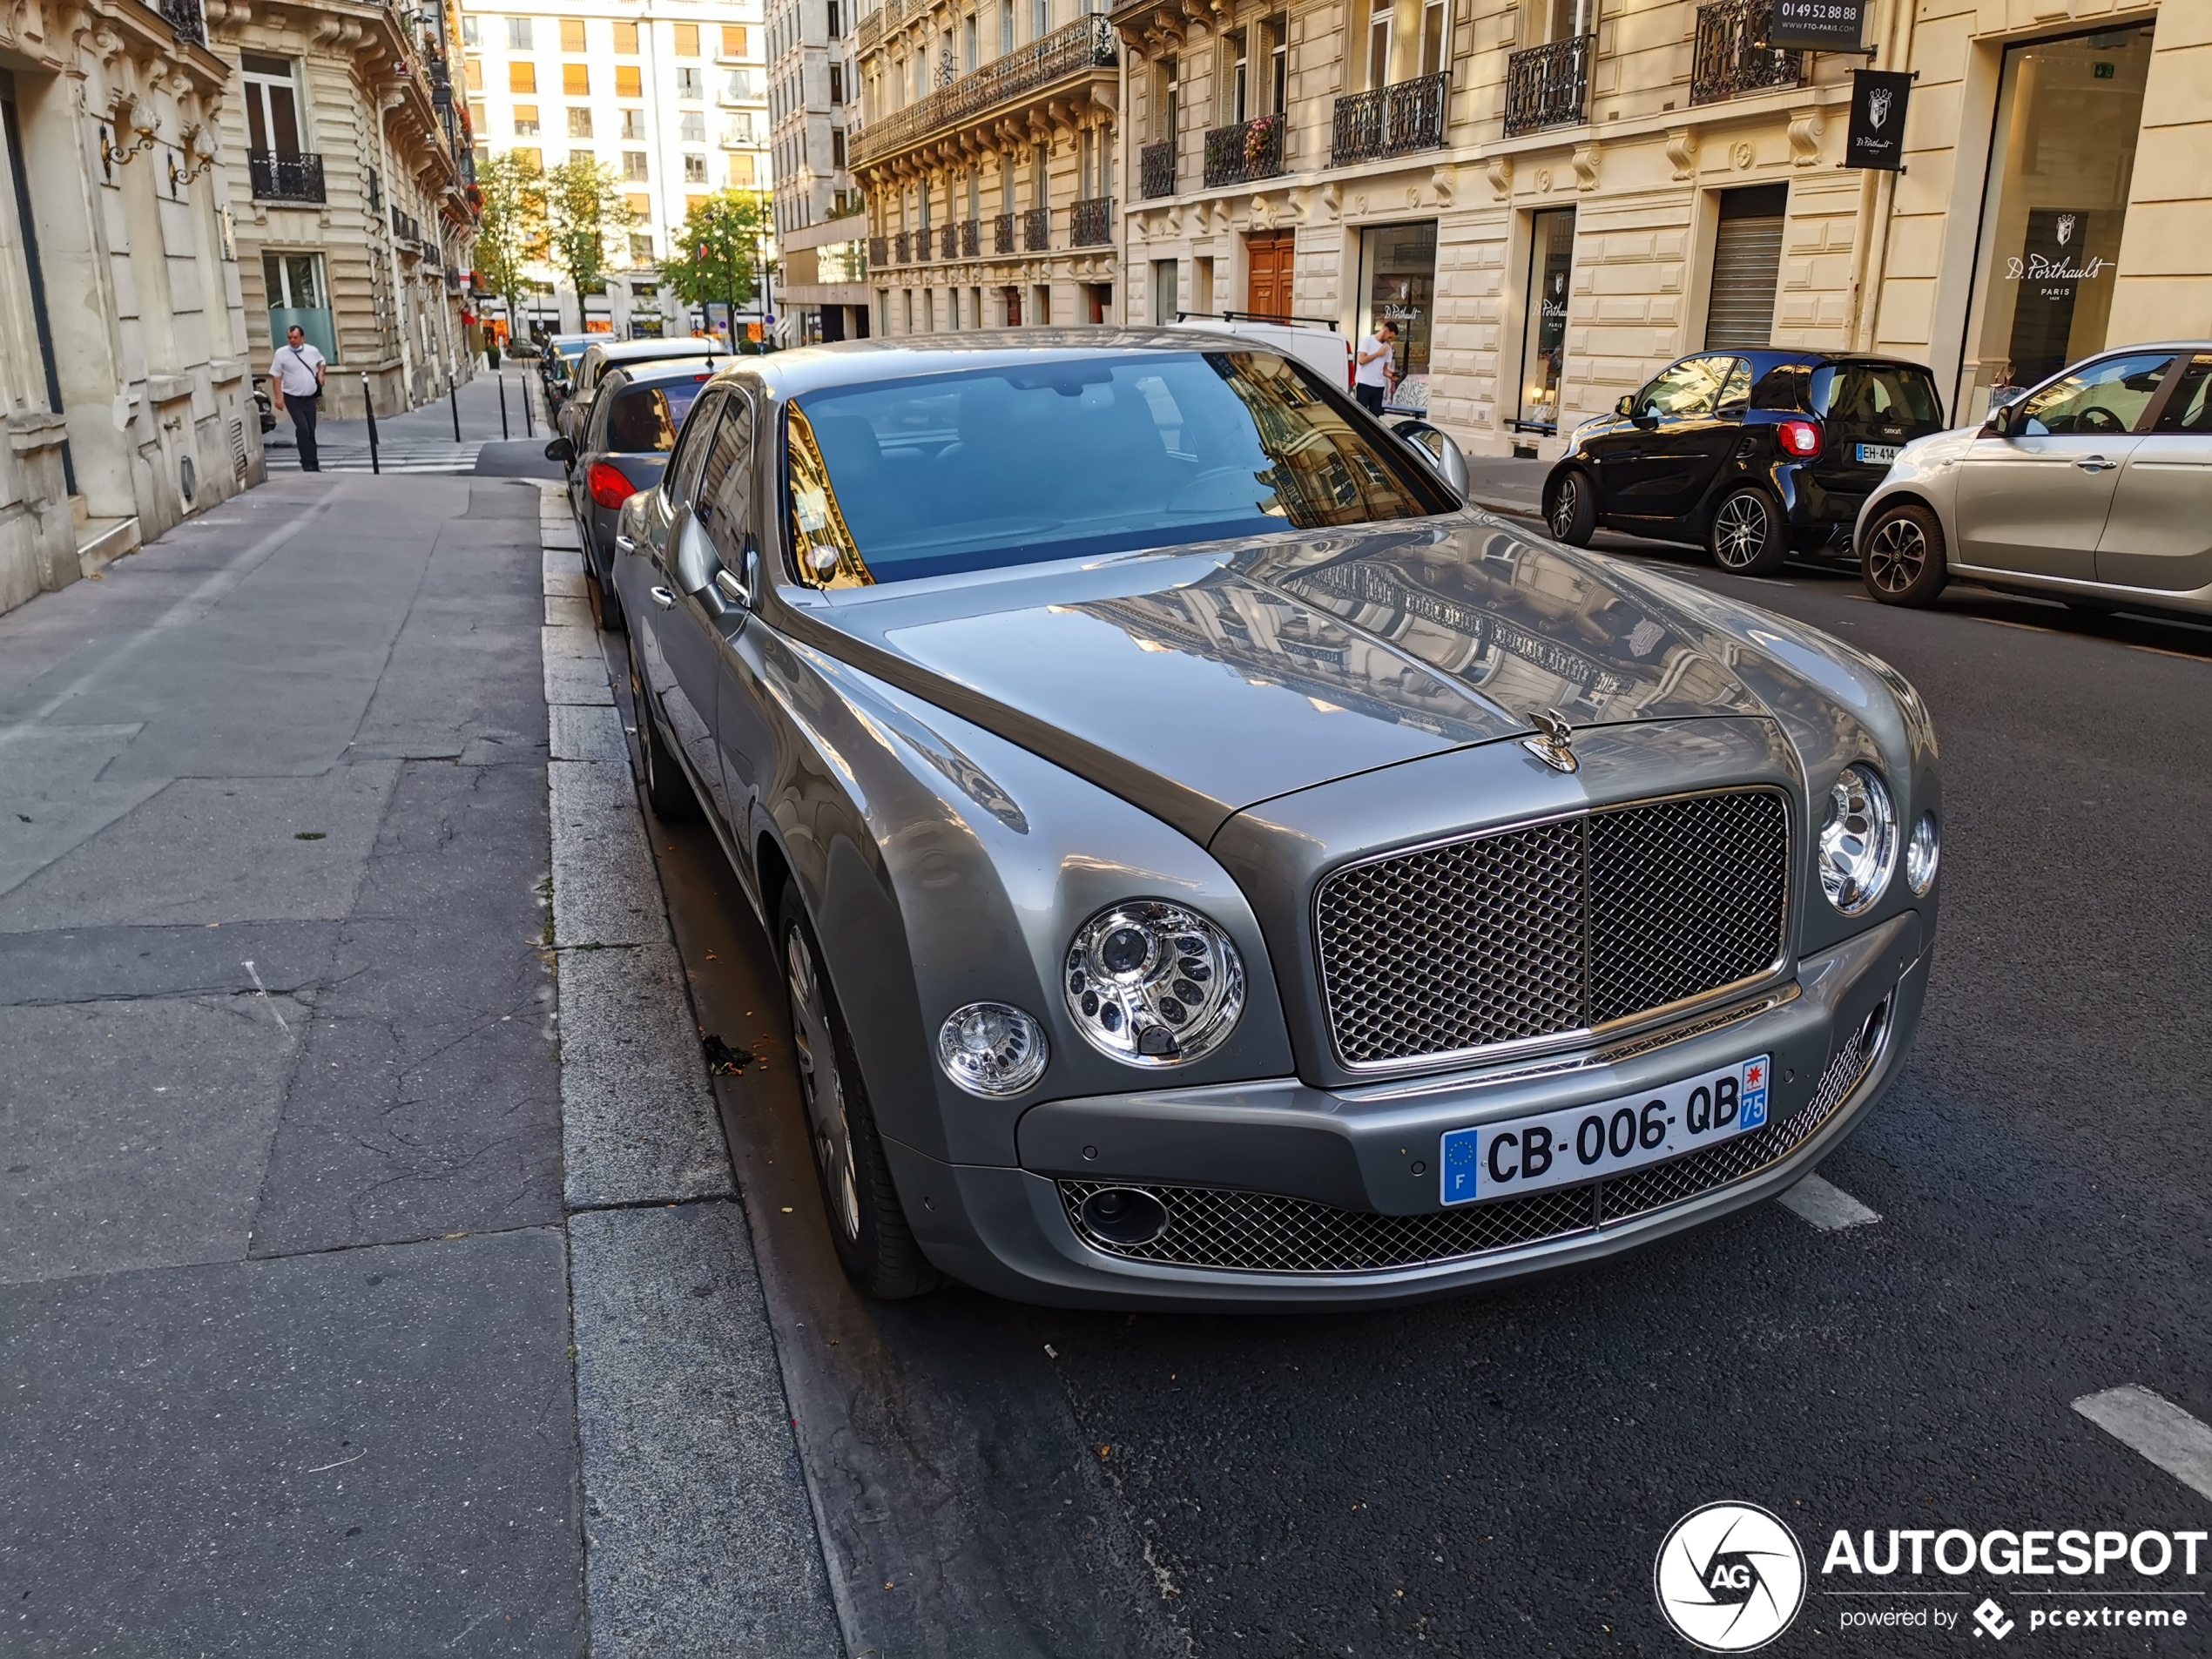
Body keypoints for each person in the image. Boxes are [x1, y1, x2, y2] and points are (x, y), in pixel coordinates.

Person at [269, 325, 327, 472]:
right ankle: (306, 463)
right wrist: (278, 398)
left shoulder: (312, 351)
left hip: (310, 398)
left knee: (311, 431)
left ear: (303, 338)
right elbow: (276, 376)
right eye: (290, 337)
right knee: (303, 428)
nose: (292, 340)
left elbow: (322, 362)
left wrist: (321, 374)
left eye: (295, 337)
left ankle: (314, 463)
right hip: (293, 398)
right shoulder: (281, 354)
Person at [1353, 320, 1397, 416]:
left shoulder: (1388, 348)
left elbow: (1384, 370)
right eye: (1389, 337)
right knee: (1361, 415)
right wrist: (1378, 354)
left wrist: (1391, 375)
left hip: (1379, 386)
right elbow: (1361, 360)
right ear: (1386, 330)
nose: (1389, 340)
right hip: (1364, 384)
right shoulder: (1368, 340)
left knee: (1375, 415)